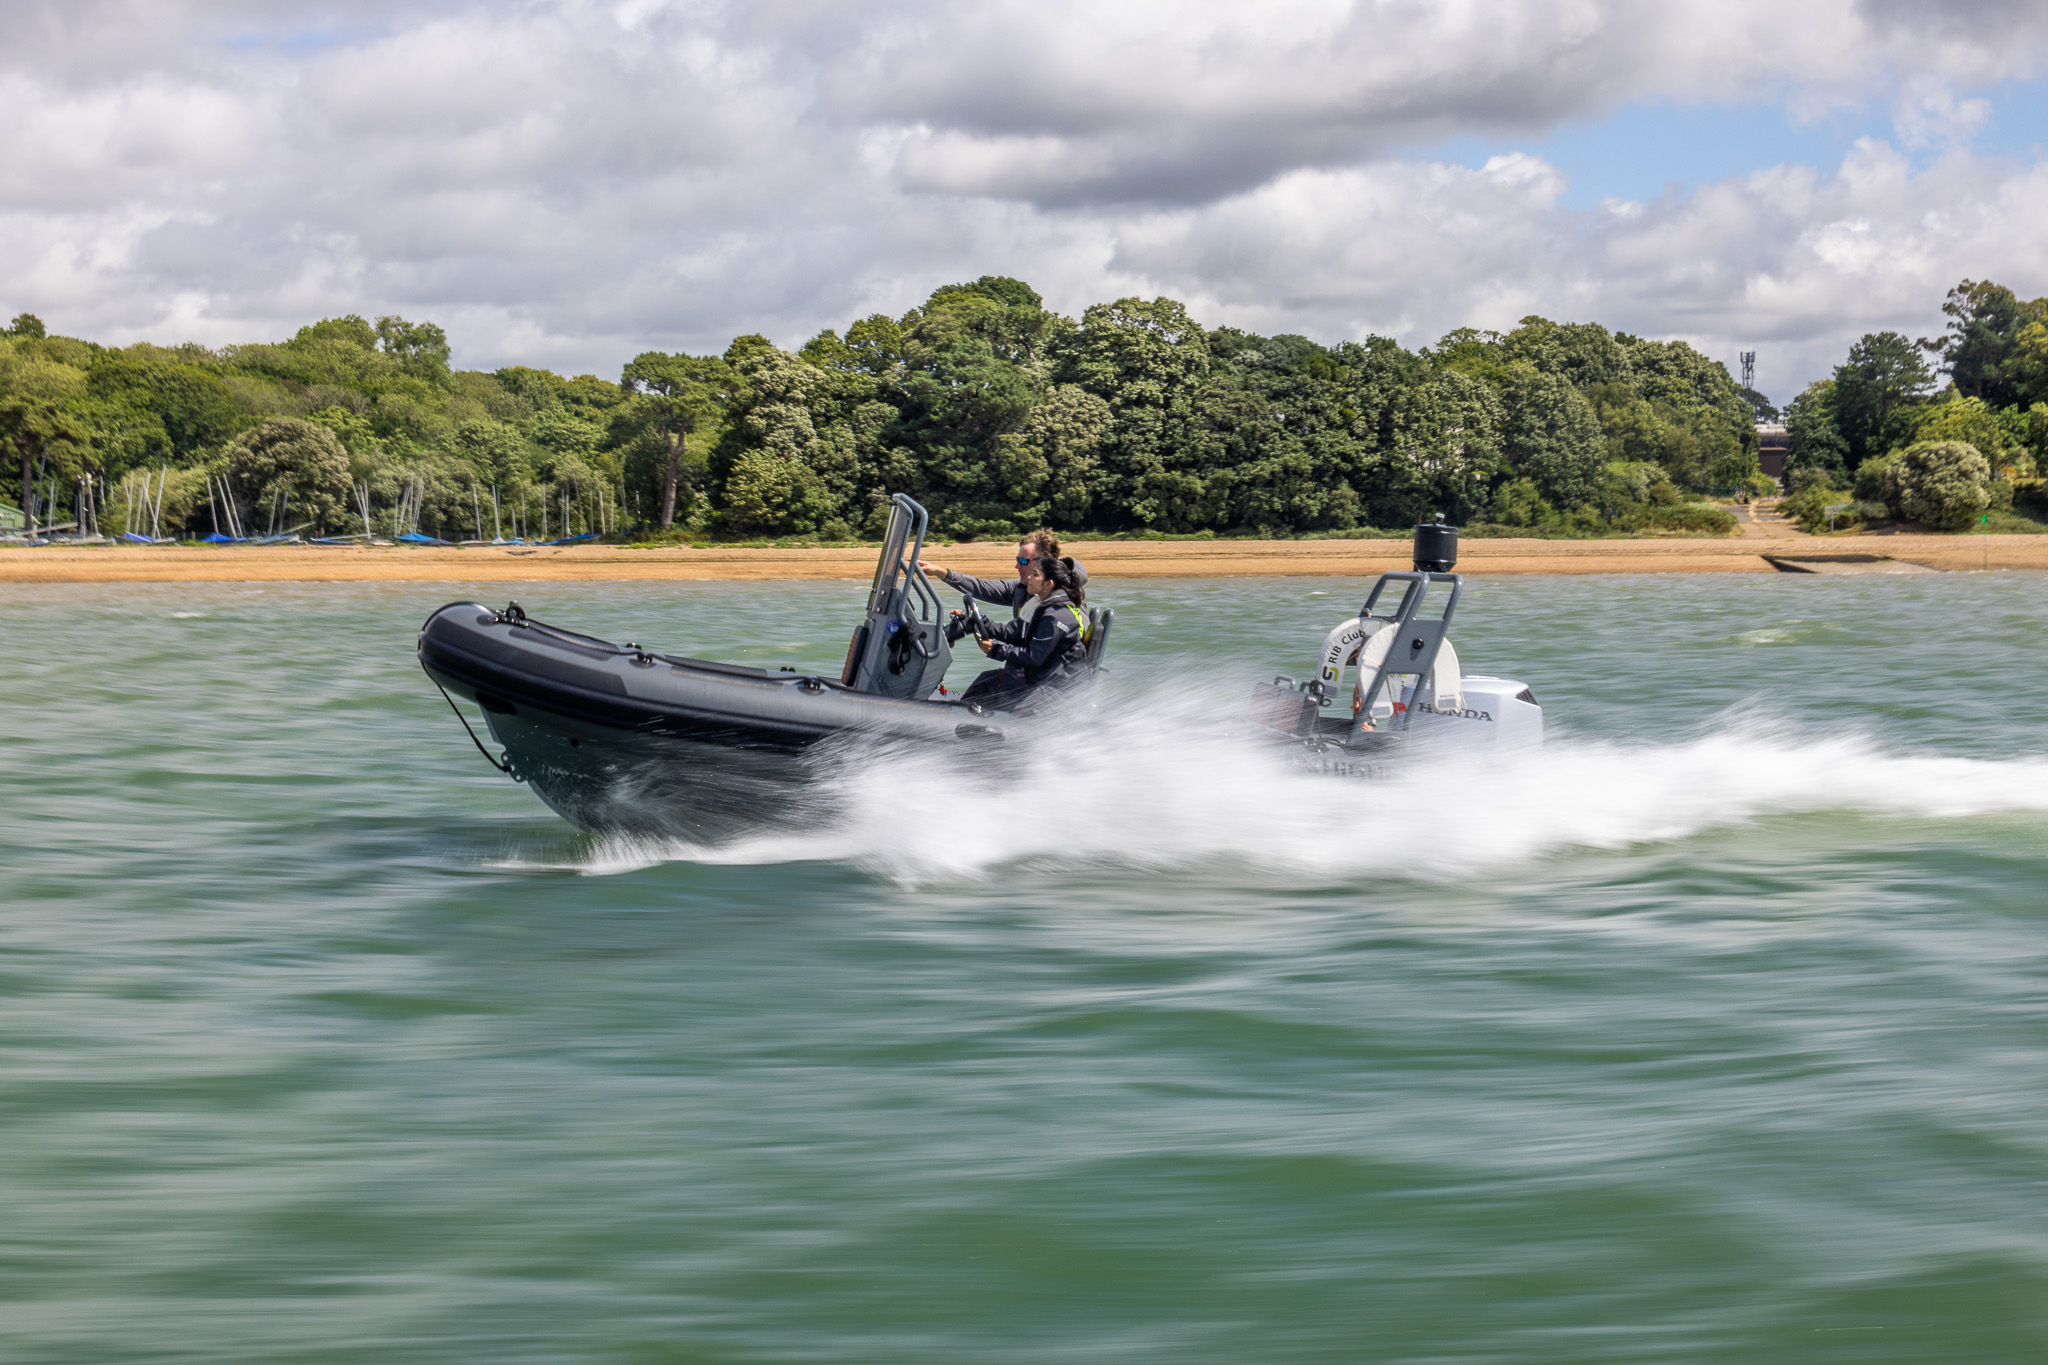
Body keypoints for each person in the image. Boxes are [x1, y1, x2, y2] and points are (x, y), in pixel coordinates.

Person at [957, 554, 1091, 707]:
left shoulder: (1057, 616)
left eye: (1035, 574)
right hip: (1039, 677)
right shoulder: (1039, 607)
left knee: (1023, 712)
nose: (1030, 578)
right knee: (984, 683)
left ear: (1048, 584)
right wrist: (977, 620)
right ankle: (958, 719)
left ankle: (1009, 727)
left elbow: (1034, 657)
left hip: (1058, 687)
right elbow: (1010, 633)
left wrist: (997, 649)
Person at [918, 529, 1086, 631]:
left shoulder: (1062, 599)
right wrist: (941, 572)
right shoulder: (1021, 589)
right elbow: (980, 587)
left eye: (1023, 561)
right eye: (1017, 560)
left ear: (1045, 562)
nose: (1017, 567)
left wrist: (997, 647)